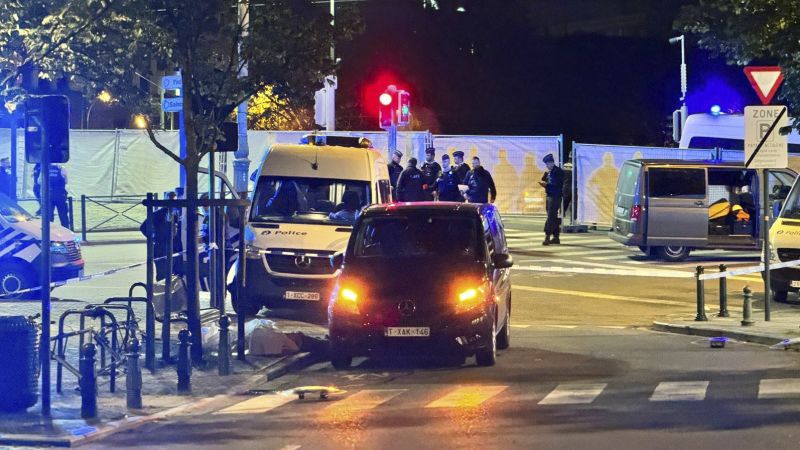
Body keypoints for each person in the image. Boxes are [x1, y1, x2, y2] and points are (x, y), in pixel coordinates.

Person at [538, 153, 564, 245]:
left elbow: (556, 184)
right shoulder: (550, 172)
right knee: (553, 216)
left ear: (551, 162)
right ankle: (556, 237)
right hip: (550, 195)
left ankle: (547, 236)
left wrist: (546, 185)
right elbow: (546, 180)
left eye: (547, 164)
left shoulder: (557, 172)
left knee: (551, 216)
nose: (547, 166)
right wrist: (545, 180)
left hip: (555, 196)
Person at [41, 164, 70, 228]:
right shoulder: (61, 168)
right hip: (60, 195)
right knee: (63, 216)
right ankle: (66, 231)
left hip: (48, 196)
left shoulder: (45, 168)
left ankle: (49, 231)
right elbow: (66, 181)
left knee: (49, 217)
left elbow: (40, 182)